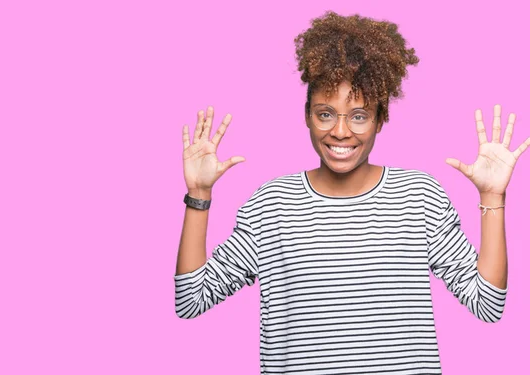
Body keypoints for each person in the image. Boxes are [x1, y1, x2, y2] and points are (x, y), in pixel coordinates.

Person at [174, 11, 530, 375]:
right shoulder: (272, 204)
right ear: (307, 115)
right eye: (325, 114)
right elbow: (191, 299)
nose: (340, 131)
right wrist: (198, 194)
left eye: (358, 115)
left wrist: (492, 198)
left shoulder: (419, 197)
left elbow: (487, 303)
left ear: (380, 119)